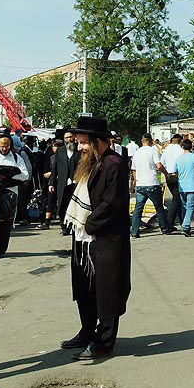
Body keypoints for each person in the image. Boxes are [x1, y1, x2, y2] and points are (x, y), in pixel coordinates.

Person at [61, 117, 130, 360]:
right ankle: (87, 330)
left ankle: (104, 341)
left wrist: (90, 224)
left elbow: (113, 203)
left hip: (106, 238)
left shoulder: (113, 163)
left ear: (98, 141)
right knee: (85, 287)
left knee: (107, 290)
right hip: (83, 239)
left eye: (83, 143)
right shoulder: (89, 163)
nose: (79, 148)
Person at [0, 133, 29, 257]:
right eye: (2, 146)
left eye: (7, 146)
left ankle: (1, 250)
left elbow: (25, 175)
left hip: (10, 193)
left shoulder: (17, 158)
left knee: (6, 222)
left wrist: (10, 175)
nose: (4, 148)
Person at [130, 133, 171, 237]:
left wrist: (136, 181)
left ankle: (134, 231)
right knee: (159, 207)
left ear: (142, 141)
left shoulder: (137, 152)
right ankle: (165, 229)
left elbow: (133, 169)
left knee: (138, 209)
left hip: (140, 184)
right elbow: (159, 165)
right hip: (152, 183)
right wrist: (166, 173)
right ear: (151, 141)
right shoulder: (153, 150)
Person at [50, 130, 80, 235]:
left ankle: (73, 226)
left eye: (71, 137)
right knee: (62, 206)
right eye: (67, 137)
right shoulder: (60, 151)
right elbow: (55, 168)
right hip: (62, 183)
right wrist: (51, 183)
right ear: (64, 139)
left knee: (74, 206)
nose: (69, 139)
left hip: (76, 183)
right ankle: (64, 227)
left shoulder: (79, 150)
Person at [174, 139, 194, 237]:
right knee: (190, 207)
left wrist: (180, 177)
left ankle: (184, 225)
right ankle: (186, 226)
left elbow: (174, 172)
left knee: (184, 206)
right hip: (192, 185)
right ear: (192, 147)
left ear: (182, 147)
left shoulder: (178, 158)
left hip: (182, 186)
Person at [160, 134, 184, 232]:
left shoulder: (166, 150)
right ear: (180, 141)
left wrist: (166, 174)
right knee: (177, 200)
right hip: (177, 176)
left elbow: (162, 163)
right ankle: (169, 223)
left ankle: (180, 221)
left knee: (177, 198)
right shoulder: (181, 151)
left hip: (168, 176)